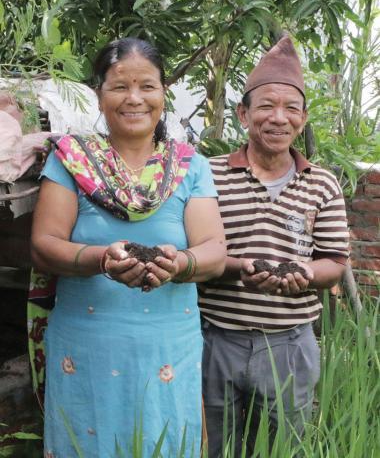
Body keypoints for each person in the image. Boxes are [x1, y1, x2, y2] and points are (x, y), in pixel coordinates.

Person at [30, 37, 226, 458]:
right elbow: (44, 246)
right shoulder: (71, 161)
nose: (133, 98)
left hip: (169, 345)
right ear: (99, 95)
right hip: (88, 345)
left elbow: (214, 251)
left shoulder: (191, 165)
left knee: (165, 443)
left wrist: (180, 264)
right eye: (119, 86)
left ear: (163, 95)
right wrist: (102, 259)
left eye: (147, 86)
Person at [198, 35, 349, 457]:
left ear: (303, 117)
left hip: (289, 342)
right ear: (244, 114)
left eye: (291, 108)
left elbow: (334, 262)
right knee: (214, 444)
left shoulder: (322, 183)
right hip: (217, 338)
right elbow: (193, 251)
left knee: (284, 445)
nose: (278, 118)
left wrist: (304, 276)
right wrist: (238, 266)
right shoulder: (208, 175)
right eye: (266, 106)